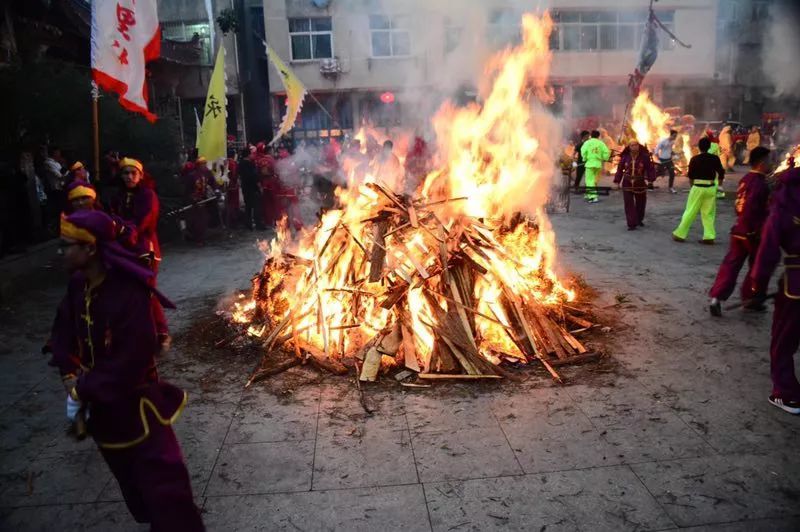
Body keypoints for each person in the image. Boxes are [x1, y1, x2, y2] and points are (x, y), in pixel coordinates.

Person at [51, 210, 204, 529]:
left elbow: (131, 359)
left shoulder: (127, 292)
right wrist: (69, 373)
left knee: (168, 494)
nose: (61, 252)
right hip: (104, 416)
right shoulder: (77, 286)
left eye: (67, 245)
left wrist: (83, 388)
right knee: (136, 493)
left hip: (139, 411)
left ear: (90, 249)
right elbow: (62, 333)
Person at [749, 166, 800, 414]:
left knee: (784, 339)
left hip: (796, 285)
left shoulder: (784, 206)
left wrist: (758, 285)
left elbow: (768, 251)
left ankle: (787, 395)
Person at [110, 158, 170, 350]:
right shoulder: (117, 197)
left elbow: (145, 220)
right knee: (127, 293)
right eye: (125, 173)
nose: (129, 176)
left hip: (146, 249)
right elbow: (112, 218)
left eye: (132, 173)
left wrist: (126, 231)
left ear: (140, 175)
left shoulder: (148, 195)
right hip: (123, 250)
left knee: (146, 291)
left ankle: (161, 332)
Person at [708, 147, 772, 316]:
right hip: (752, 232)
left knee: (731, 264)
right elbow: (752, 208)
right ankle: (751, 299)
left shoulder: (746, 179)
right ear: (761, 163)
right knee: (757, 267)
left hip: (738, 229)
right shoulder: (760, 184)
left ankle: (716, 297)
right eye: (769, 161)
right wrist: (755, 230)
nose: (771, 164)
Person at [672, 137, 725, 244]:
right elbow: (721, 172)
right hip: (710, 188)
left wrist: (693, 187)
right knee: (708, 213)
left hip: (697, 187)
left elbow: (690, 176)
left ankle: (680, 234)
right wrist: (719, 185)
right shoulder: (715, 158)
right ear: (709, 146)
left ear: (699, 148)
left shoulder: (694, 159)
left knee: (690, 211)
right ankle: (709, 236)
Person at [614, 139, 655, 230]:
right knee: (629, 204)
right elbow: (620, 169)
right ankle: (631, 223)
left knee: (641, 203)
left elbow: (650, 169)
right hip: (627, 183)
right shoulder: (625, 157)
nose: (634, 146)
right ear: (629, 147)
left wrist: (651, 181)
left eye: (635, 144)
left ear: (638, 145)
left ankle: (639, 220)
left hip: (640, 183)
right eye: (632, 145)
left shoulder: (645, 157)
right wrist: (617, 182)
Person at [580, 130, 610, 203]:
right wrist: (605, 158)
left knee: (589, 181)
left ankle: (593, 196)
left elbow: (583, 151)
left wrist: (584, 158)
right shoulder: (601, 143)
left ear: (591, 135)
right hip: (598, 164)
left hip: (590, 164)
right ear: (598, 136)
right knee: (594, 181)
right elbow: (606, 152)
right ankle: (588, 194)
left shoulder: (587, 143)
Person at [238, 148, 264, 230]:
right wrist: (259, 186)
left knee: (248, 207)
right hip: (253, 188)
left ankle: (248, 225)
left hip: (245, 188)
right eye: (251, 154)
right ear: (249, 155)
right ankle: (258, 225)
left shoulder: (240, 163)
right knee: (257, 206)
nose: (253, 155)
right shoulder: (250, 164)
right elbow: (254, 176)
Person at [225, 148, 240, 228]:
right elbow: (234, 174)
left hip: (227, 184)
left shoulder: (225, 162)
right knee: (234, 204)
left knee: (229, 203)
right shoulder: (233, 163)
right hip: (233, 185)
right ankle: (234, 222)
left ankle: (229, 221)